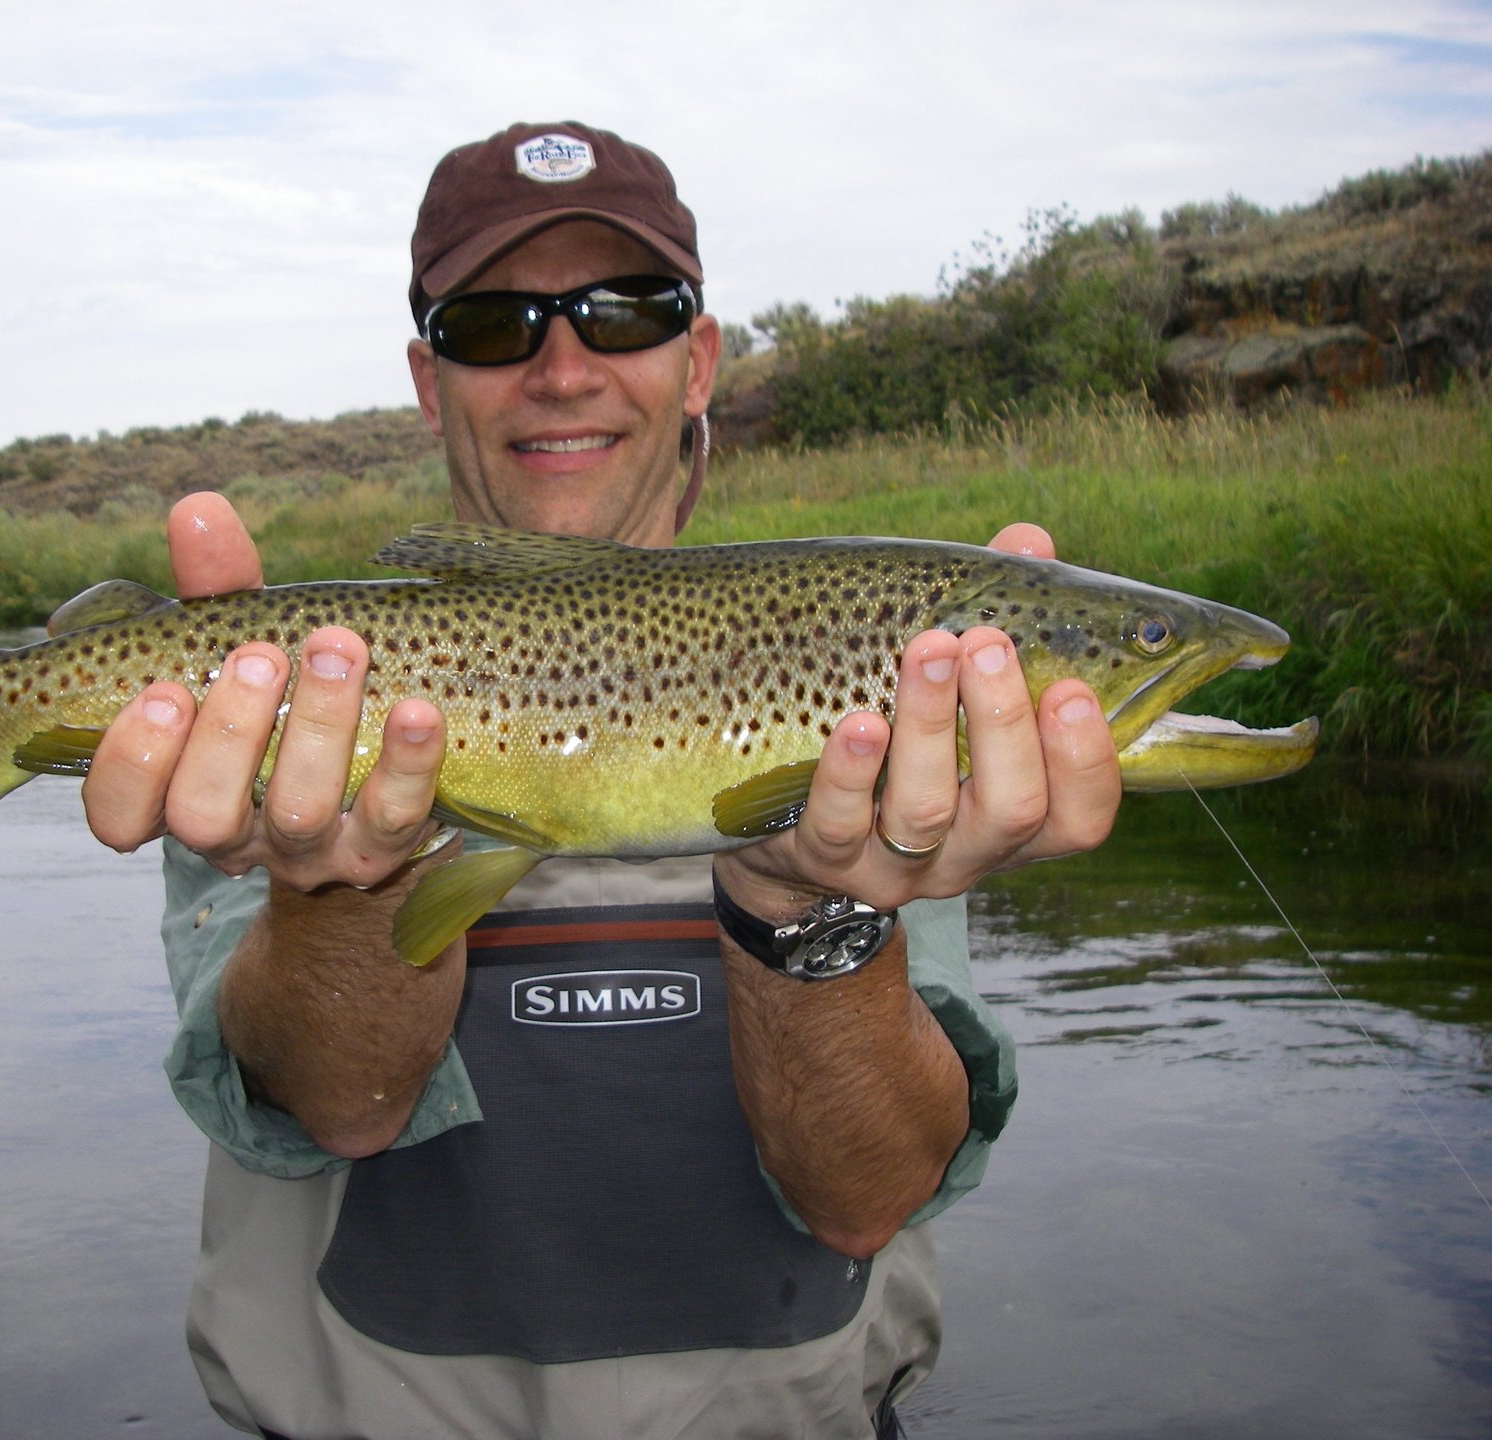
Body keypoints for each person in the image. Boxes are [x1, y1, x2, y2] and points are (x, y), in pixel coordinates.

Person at [81, 121, 1121, 1439]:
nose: (561, 368)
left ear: (697, 361)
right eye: (493, 323)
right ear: (426, 376)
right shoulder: (297, 708)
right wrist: (342, 886)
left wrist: (814, 917)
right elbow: (341, 1109)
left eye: (622, 312)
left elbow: (865, 1202)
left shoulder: (875, 697)